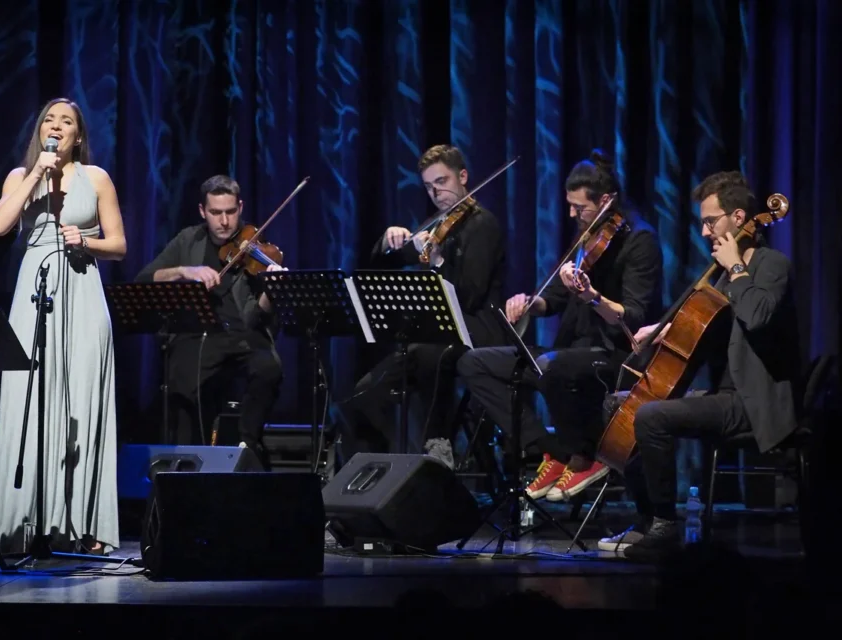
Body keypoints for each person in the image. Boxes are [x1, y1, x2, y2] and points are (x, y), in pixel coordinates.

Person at [613, 171, 802, 560]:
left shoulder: (772, 265)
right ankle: (648, 519)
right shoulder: (719, 277)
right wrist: (668, 331)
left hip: (753, 402)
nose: (703, 232)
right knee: (620, 404)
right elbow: (706, 335)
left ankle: (666, 527)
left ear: (737, 218)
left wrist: (736, 267)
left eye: (710, 221)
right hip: (723, 396)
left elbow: (758, 316)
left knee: (651, 418)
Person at [457, 150, 663, 501]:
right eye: (570, 206)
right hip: (566, 356)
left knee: (553, 367)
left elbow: (633, 317)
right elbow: (551, 297)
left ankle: (588, 454)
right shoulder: (588, 234)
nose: (572, 214)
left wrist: (592, 297)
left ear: (607, 200)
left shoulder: (639, 241)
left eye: (579, 207)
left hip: (610, 356)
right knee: (473, 362)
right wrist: (528, 303)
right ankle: (551, 449)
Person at [0, 98, 127, 555]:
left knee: (80, 407)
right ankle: (19, 524)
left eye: (67, 122)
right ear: (40, 132)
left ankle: (84, 524)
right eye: (50, 119)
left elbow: (120, 245)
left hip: (84, 294)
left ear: (78, 136)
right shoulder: (18, 177)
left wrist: (86, 240)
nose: (58, 126)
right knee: (26, 398)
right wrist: (35, 176)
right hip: (33, 295)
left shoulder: (97, 178)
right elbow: (1, 225)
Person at [337, 144, 506, 468]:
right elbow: (379, 268)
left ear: (463, 176)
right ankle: (385, 466)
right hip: (434, 335)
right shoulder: (439, 227)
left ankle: (437, 446)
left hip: (475, 331)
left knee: (431, 354)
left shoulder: (483, 225)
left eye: (441, 181)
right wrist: (388, 242)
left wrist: (438, 259)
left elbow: (469, 295)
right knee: (364, 395)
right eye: (429, 186)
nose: (436, 192)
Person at [135, 175, 284, 468]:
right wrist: (184, 271)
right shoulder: (189, 240)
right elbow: (144, 279)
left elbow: (257, 316)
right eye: (216, 213)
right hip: (199, 332)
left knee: (269, 367)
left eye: (231, 212)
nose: (225, 221)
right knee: (184, 379)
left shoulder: (255, 248)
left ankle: (247, 444)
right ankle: (193, 458)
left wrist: (272, 289)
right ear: (203, 211)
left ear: (240, 207)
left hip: (242, 333)